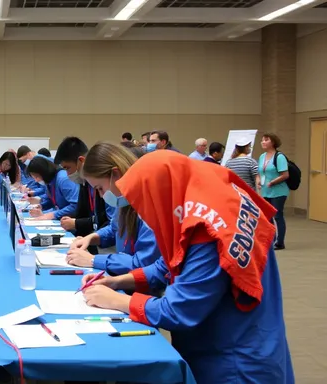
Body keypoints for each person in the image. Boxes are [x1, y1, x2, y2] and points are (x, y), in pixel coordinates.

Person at [79, 150, 293, 384]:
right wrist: (117, 281)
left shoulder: (207, 230)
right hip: (243, 341)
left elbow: (179, 310)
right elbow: (168, 264)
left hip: (233, 361)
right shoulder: (210, 199)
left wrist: (117, 300)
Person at [66, 143, 160, 275]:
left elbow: (145, 263)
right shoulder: (125, 202)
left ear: (116, 174)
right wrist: (91, 238)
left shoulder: (152, 207)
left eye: (100, 188)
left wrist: (93, 260)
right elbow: (114, 229)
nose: (100, 195)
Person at [54, 137, 109, 243]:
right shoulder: (84, 183)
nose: (68, 174)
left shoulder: (101, 182)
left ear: (81, 161)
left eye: (68, 168)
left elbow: (106, 222)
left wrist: (77, 223)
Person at [259, 132, 290, 250]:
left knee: (278, 216)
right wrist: (258, 180)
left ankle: (280, 242)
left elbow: (285, 174)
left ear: (273, 142)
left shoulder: (279, 157)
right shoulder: (262, 156)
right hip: (266, 191)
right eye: (262, 140)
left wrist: (273, 182)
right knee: (268, 217)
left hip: (278, 191)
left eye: (266, 140)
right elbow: (260, 172)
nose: (263, 142)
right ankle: (271, 239)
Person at [26, 155, 79, 221]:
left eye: (36, 177)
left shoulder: (63, 179)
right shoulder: (49, 181)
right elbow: (51, 199)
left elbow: (76, 205)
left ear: (44, 172)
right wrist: (42, 206)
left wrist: (53, 215)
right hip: (64, 218)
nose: (36, 181)